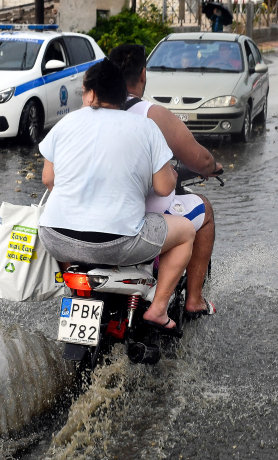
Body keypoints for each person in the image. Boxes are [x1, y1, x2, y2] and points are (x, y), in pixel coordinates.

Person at [37, 58, 194, 334]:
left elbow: (49, 179)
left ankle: (78, 297)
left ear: (91, 94)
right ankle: (158, 309)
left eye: (83, 91)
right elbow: (163, 188)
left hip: (55, 237)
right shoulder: (145, 127)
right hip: (118, 242)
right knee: (186, 232)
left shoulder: (66, 122)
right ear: (122, 94)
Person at [109, 43, 221, 318]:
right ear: (143, 74)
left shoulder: (92, 112)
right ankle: (194, 299)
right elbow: (197, 160)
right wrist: (212, 167)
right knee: (204, 210)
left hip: (96, 216)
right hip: (141, 219)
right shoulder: (151, 114)